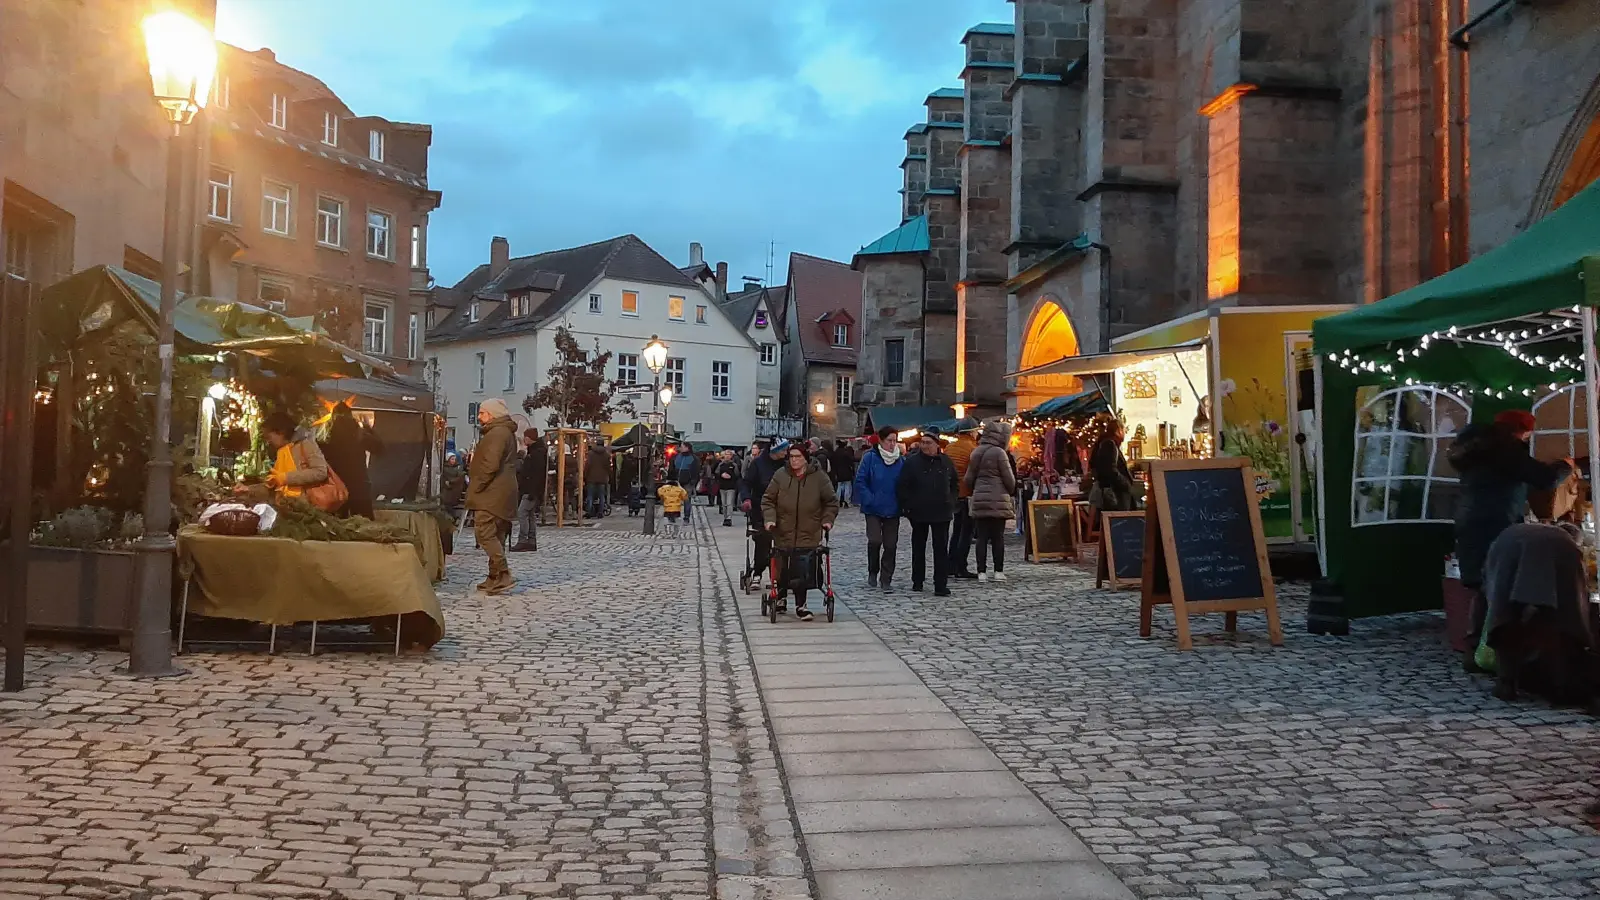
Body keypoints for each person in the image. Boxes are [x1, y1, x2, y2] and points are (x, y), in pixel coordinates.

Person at [1450, 408, 1573, 668]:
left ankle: (1475, 649)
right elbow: (1545, 479)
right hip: (1496, 522)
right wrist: (1567, 466)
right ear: (1522, 430)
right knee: (1498, 587)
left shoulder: (1475, 448)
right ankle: (1495, 655)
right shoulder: (1505, 449)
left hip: (1469, 519)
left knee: (1481, 587)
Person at [1481, 521, 1599, 704]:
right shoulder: (1565, 543)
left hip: (1507, 553)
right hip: (1518, 553)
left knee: (1505, 619)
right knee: (1562, 622)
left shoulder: (1520, 532)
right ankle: (1560, 686)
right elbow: (1576, 595)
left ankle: (1506, 683)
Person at [762, 443, 840, 621]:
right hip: (783, 530)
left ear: (806, 458)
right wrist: (770, 519)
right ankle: (780, 597)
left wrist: (827, 520)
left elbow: (831, 502)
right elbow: (768, 500)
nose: (794, 460)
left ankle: (801, 605)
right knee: (782, 566)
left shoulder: (819, 477)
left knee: (802, 569)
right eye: (791, 457)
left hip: (809, 531)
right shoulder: (780, 476)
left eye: (798, 457)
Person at [466, 398, 520, 595]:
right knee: (496, 534)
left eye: (482, 412)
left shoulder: (497, 433)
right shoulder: (503, 432)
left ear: (492, 414)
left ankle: (503, 573)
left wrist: (477, 486)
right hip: (501, 490)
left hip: (493, 491)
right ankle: (494, 577)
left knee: (484, 532)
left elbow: (490, 464)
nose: (479, 416)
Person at [897, 428, 959, 596]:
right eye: (923, 443)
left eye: (928, 443)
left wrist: (951, 501)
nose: (924, 446)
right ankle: (918, 580)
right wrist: (908, 506)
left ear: (936, 445)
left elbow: (954, 483)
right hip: (919, 510)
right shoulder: (912, 462)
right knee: (918, 547)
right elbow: (903, 485)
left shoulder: (945, 462)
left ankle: (940, 584)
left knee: (940, 549)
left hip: (941, 510)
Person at [965, 420, 1017, 582]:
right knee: (997, 537)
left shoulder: (976, 452)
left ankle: (981, 572)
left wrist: (977, 490)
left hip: (980, 499)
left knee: (981, 537)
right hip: (998, 500)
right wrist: (1010, 491)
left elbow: (968, 479)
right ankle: (998, 571)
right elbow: (1009, 479)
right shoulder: (999, 453)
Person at [854, 426, 906, 591]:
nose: (892, 444)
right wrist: (869, 498)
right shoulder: (870, 457)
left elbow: (906, 482)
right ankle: (872, 570)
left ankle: (886, 578)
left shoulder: (900, 460)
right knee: (875, 540)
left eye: (894, 440)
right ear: (881, 441)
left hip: (893, 507)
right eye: (889, 440)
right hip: (873, 508)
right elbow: (861, 480)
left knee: (891, 545)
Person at [321, 402, 383, 519]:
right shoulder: (359, 434)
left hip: (337, 487)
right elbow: (379, 448)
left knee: (339, 526)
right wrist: (368, 428)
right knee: (364, 524)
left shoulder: (327, 436)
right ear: (350, 415)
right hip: (359, 485)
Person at [740, 440, 789, 589]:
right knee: (762, 541)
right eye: (783, 450)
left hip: (783, 508)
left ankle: (780, 576)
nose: (786, 453)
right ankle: (758, 573)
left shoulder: (787, 464)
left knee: (783, 544)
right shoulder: (758, 464)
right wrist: (746, 498)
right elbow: (745, 482)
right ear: (775, 451)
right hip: (760, 506)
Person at [263, 411, 332, 500]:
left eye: (269, 437)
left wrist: (285, 478)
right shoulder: (282, 451)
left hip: (306, 506)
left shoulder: (305, 444)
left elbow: (320, 472)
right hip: (287, 503)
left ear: (281, 432)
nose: (268, 442)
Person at [946, 424, 981, 578]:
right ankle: (961, 566)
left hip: (953, 494)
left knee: (956, 531)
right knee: (966, 533)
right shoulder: (973, 449)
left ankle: (951, 565)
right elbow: (974, 473)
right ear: (971, 432)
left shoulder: (949, 448)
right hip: (967, 493)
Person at [1089, 417, 1136, 513]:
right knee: (1120, 520)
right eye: (1123, 430)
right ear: (1118, 430)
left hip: (1112, 491)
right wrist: (1125, 483)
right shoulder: (1110, 444)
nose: (1124, 433)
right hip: (1116, 493)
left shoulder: (1105, 443)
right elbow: (1110, 469)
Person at [512, 428, 545, 552]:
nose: (524, 439)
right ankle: (531, 540)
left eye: (526, 437)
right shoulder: (535, 451)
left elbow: (537, 474)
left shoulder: (536, 453)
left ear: (530, 438)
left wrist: (532, 491)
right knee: (530, 515)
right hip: (531, 489)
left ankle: (523, 540)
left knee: (522, 513)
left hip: (531, 490)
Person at [584, 438, 611, 517]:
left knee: (590, 495)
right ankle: (600, 512)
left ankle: (589, 511)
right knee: (601, 495)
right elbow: (608, 467)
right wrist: (609, 476)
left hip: (591, 478)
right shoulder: (606, 455)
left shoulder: (590, 453)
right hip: (602, 478)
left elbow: (587, 466)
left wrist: (585, 476)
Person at [715, 450, 741, 526]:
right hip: (722, 486)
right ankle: (725, 517)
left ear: (731, 456)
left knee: (729, 503)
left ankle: (729, 518)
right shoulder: (721, 465)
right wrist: (721, 475)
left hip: (731, 487)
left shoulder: (734, 465)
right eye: (726, 454)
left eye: (729, 454)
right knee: (724, 504)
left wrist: (730, 476)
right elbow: (716, 473)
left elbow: (737, 475)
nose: (727, 456)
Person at [830, 439, 857, 508]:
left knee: (839, 487)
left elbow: (833, 463)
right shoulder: (846, 453)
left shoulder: (835, 453)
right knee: (847, 487)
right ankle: (846, 501)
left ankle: (838, 501)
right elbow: (851, 461)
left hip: (838, 472)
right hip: (847, 471)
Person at [441, 452, 467, 523]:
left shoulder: (458, 468)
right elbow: (443, 478)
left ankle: (453, 519)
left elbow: (459, 477)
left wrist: (451, 481)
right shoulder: (444, 468)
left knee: (450, 505)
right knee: (447, 505)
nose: (453, 461)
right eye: (452, 459)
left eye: (454, 459)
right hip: (447, 490)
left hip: (454, 490)